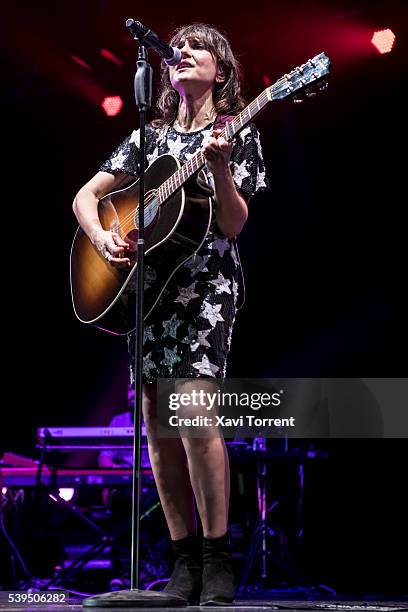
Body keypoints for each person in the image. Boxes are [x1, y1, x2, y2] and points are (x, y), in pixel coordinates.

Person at [73, 23, 267, 605]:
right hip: (149, 291)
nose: (180, 54)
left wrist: (221, 168)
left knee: (195, 417)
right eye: (176, 48)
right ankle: (182, 561)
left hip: (205, 288)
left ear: (222, 69)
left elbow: (233, 223)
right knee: (157, 423)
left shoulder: (238, 132)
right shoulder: (148, 139)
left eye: (196, 48)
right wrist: (106, 239)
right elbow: (85, 196)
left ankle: (217, 557)